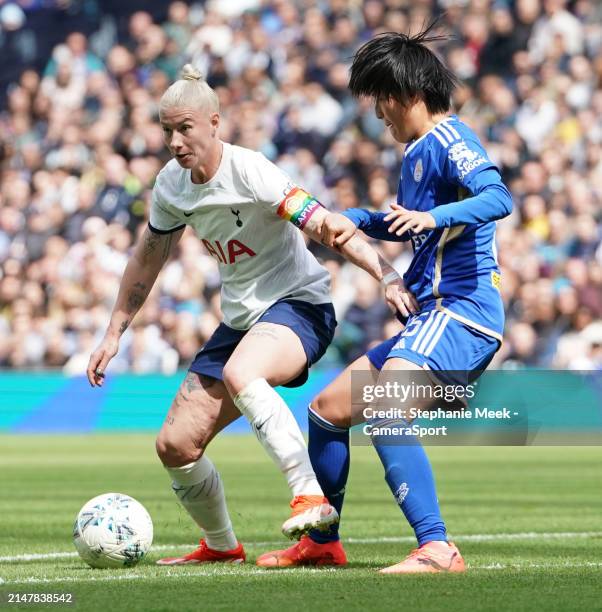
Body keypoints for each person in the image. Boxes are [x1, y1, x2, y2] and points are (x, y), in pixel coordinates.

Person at [86, 64, 416, 566]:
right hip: (241, 320)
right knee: (175, 445)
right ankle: (222, 546)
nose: (175, 141)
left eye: (185, 128)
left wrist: (386, 274)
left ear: (214, 123)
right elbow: (148, 255)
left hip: (300, 305)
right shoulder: (172, 186)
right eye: (167, 130)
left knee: (244, 372)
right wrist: (113, 332)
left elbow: (326, 225)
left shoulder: (251, 170)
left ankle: (309, 495)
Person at [257, 26, 513, 573]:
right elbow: (406, 225)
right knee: (327, 412)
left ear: (408, 94)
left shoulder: (452, 142)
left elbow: (498, 197)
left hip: (462, 312)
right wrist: (359, 219)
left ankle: (437, 548)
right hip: (433, 316)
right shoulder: (417, 153)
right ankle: (323, 542)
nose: (378, 116)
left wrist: (433, 216)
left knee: (387, 411)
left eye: (380, 101)